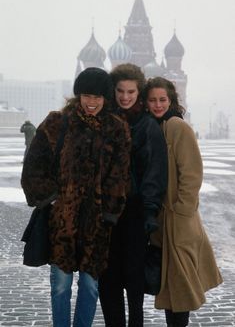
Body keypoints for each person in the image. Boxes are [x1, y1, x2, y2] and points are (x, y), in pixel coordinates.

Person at [21, 67, 131, 327]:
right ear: (78, 95)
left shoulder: (116, 129)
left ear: (106, 98)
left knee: (91, 288)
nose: (91, 103)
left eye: (98, 97)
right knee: (61, 286)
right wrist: (53, 199)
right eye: (87, 95)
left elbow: (120, 177)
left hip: (97, 225)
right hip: (63, 221)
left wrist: (108, 213)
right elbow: (33, 167)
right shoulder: (57, 123)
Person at [144, 76, 223, 327]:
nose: (158, 105)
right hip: (160, 222)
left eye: (162, 99)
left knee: (181, 286)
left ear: (172, 100)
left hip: (177, 223)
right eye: (153, 100)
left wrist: (181, 212)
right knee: (170, 286)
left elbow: (191, 175)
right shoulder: (152, 127)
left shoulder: (177, 126)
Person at [98, 64, 168, 327]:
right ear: (113, 91)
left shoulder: (147, 125)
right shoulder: (105, 121)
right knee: (108, 278)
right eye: (120, 91)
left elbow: (155, 172)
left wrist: (150, 211)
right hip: (106, 212)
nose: (125, 97)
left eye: (131, 91)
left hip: (136, 211)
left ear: (139, 93)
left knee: (134, 281)